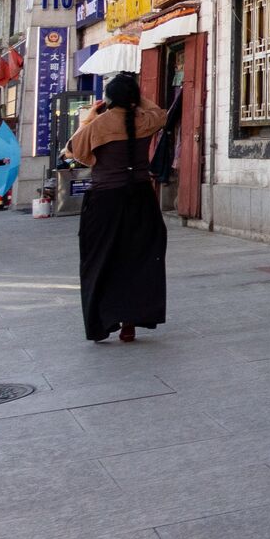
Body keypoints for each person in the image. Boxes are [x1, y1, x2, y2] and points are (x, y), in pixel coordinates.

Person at [64, 73, 168, 343]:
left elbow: (72, 150)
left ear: (109, 99)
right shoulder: (145, 121)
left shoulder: (98, 124)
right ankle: (130, 323)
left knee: (101, 261)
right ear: (134, 99)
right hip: (142, 199)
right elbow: (159, 113)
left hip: (105, 202)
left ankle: (103, 319)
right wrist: (136, 98)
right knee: (137, 261)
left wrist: (89, 115)